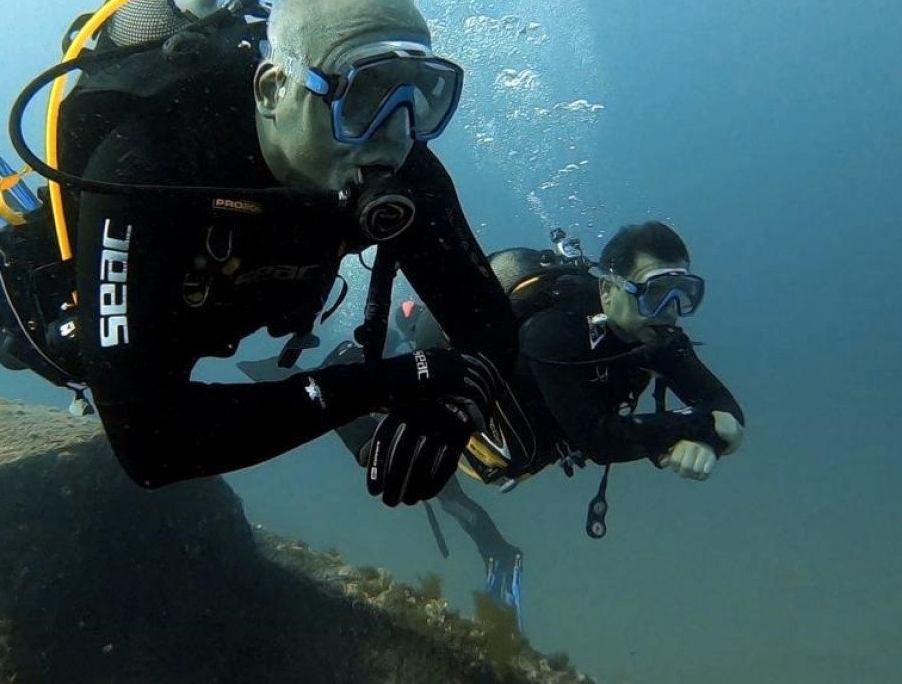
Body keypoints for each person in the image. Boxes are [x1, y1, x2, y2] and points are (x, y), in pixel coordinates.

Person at [0, 0, 518, 506]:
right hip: (137, 284)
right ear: (275, 88)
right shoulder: (151, 163)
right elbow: (151, 448)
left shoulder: (404, 167)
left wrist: (455, 406)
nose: (397, 130)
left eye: (425, 94)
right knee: (50, 346)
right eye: (366, 94)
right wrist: (385, 382)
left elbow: (489, 323)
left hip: (232, 291)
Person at [241, 220, 746, 630]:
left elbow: (730, 414)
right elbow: (597, 438)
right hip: (463, 383)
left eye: (686, 294)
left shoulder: (660, 336)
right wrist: (688, 431)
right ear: (611, 289)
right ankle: (356, 360)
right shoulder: (556, 329)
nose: (673, 313)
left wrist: (693, 431)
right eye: (659, 293)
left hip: (511, 431)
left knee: (460, 474)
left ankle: (401, 331)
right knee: (398, 461)